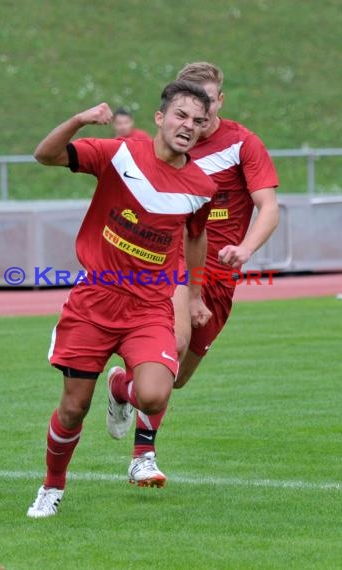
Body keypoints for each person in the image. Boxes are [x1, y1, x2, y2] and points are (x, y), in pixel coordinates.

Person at [27, 79, 218, 517]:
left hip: (149, 306)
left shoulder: (200, 187)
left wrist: (195, 292)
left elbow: (195, 235)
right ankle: (52, 486)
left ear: (205, 129)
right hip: (95, 299)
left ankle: (121, 386)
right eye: (181, 116)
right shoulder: (120, 154)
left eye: (198, 121)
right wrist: (79, 120)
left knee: (153, 395)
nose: (188, 126)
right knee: (73, 408)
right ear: (160, 117)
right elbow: (45, 155)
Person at [119, 61, 279, 487]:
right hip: (173, 266)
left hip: (220, 278)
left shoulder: (243, 143)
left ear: (219, 100)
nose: (198, 112)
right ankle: (143, 456)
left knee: (179, 378)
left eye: (206, 101)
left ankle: (122, 388)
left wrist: (245, 248)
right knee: (175, 344)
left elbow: (270, 207)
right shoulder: (170, 144)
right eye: (190, 103)